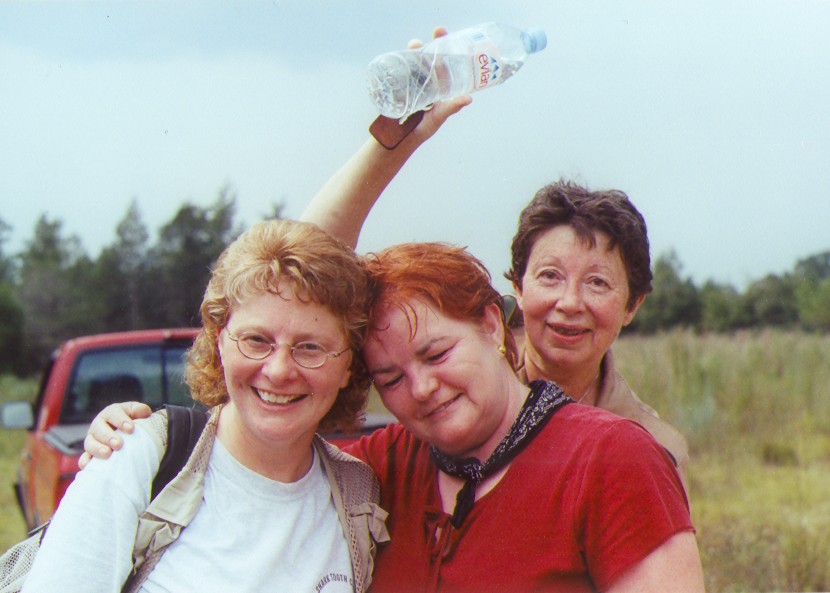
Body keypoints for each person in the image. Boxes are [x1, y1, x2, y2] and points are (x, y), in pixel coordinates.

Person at [82, 241, 704, 592]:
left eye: (437, 353)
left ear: (491, 324)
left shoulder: (610, 457)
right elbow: (277, 298)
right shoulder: (377, 470)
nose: (423, 388)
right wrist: (139, 435)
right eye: (390, 378)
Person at [23, 219, 388, 593]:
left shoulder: (359, 495)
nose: (279, 370)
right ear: (219, 342)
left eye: (310, 347)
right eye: (256, 340)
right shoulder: (141, 457)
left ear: (348, 365)